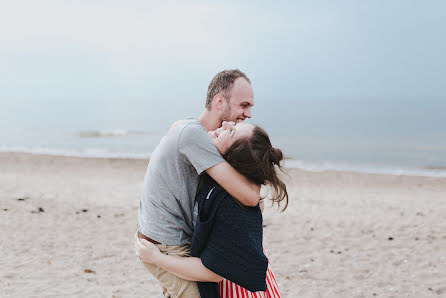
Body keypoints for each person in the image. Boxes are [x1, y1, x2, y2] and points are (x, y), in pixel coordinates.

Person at [137, 69, 261, 297]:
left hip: (169, 241)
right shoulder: (194, 136)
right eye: (244, 105)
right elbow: (250, 196)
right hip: (168, 245)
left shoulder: (198, 134)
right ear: (219, 101)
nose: (249, 113)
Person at [136, 123, 288, 298]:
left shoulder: (229, 205)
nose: (226, 124)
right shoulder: (227, 184)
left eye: (231, 132)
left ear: (233, 159)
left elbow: (212, 272)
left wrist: (157, 258)